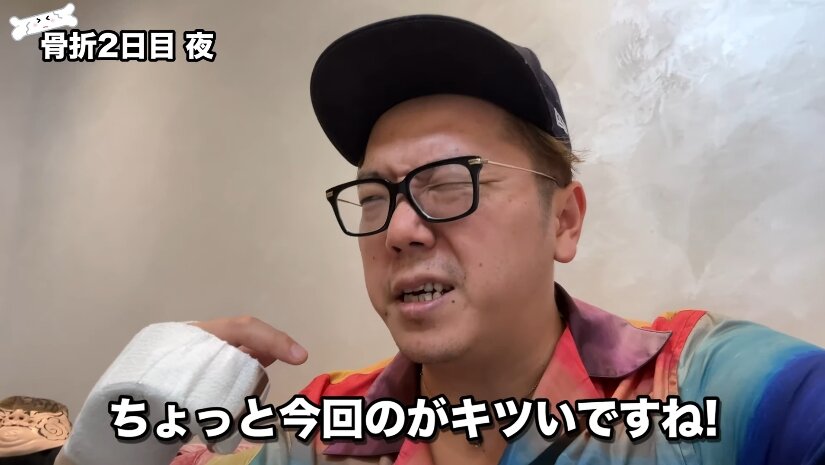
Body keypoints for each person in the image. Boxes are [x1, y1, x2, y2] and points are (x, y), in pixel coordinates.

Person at [57, 14, 825, 465]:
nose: (397, 229)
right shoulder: (328, 429)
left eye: (450, 182)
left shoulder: (698, 388)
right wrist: (113, 441)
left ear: (563, 220)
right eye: (374, 195)